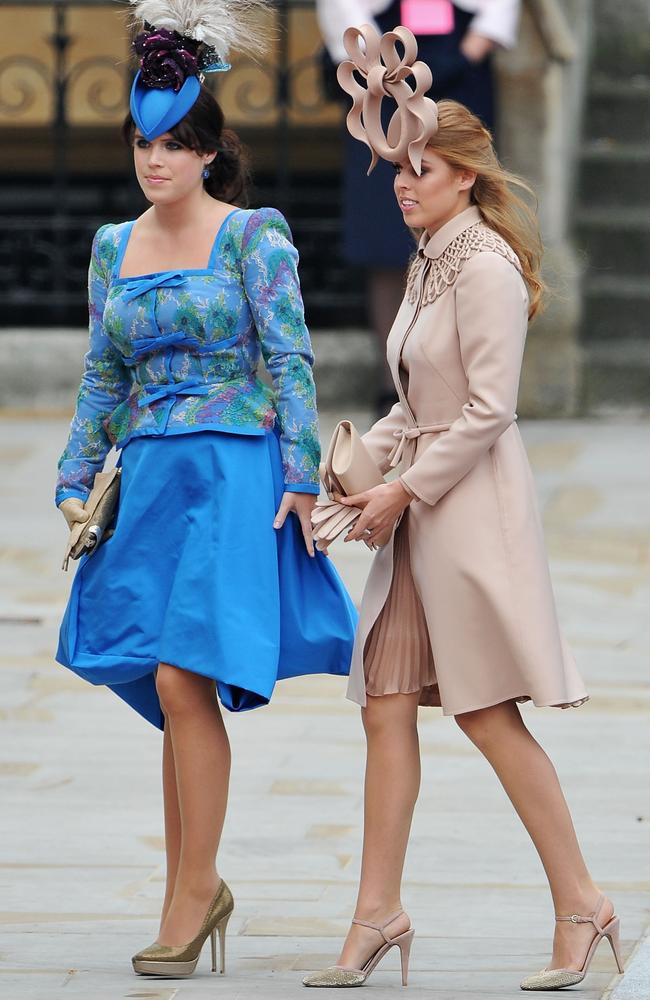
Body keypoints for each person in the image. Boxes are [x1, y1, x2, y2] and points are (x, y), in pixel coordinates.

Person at [303, 24, 624, 992]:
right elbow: (416, 400)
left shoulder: (479, 263)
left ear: (466, 179)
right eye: (396, 166)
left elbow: (487, 411)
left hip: (467, 515)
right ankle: (376, 912)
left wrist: (402, 489)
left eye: (422, 169)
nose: (402, 182)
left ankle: (583, 903)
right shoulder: (425, 258)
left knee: (485, 715)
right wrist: (357, 471)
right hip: (416, 514)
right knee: (385, 707)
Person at [55, 0, 356, 979]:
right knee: (160, 677)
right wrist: (73, 477)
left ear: (209, 152)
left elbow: (290, 362)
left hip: (231, 473)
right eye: (144, 142)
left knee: (188, 675)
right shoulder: (113, 245)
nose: (156, 161)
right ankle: (193, 886)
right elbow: (104, 372)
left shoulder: (253, 237)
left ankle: (192, 892)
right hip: (149, 475)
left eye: (175, 144)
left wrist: (302, 478)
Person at [316, 0, 521, 417]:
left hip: (462, 61)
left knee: (466, 216)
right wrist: (375, 59)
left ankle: (464, 382)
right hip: (381, 69)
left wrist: (471, 51)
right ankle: (396, 384)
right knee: (389, 233)